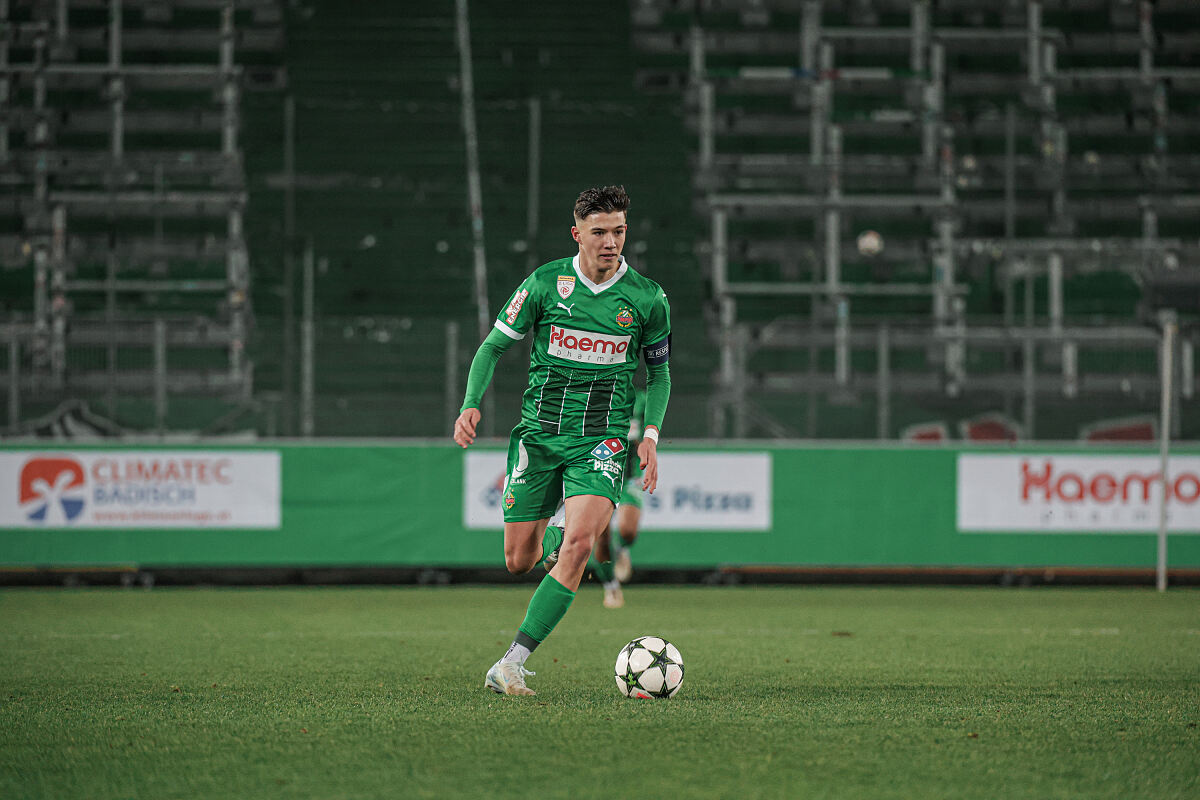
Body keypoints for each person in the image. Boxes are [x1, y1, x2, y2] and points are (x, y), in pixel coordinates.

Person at [453, 185, 672, 696]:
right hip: (540, 436)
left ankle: (511, 662)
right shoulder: (545, 285)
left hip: (603, 441)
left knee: (580, 545)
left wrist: (652, 435)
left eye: (619, 231)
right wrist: (470, 402)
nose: (611, 242)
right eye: (599, 232)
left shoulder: (646, 298)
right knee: (518, 561)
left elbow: (659, 375)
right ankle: (551, 536)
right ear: (577, 235)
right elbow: (491, 348)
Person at [543, 388, 646, 609]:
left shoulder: (641, 400)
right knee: (602, 534)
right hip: (600, 471)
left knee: (628, 530)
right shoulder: (590, 396)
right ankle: (611, 586)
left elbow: (651, 431)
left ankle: (622, 550)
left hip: (628, 476)